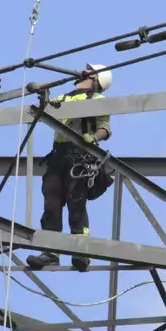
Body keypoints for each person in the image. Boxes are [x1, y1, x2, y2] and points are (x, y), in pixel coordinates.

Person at [28, 64, 115, 272]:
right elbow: (44, 114)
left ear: (96, 79)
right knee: (51, 202)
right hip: (58, 157)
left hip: (80, 157)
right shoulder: (64, 98)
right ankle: (51, 252)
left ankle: (81, 251)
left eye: (89, 70)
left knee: (76, 202)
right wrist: (46, 102)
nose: (82, 71)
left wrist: (93, 137)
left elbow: (105, 127)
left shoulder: (97, 100)